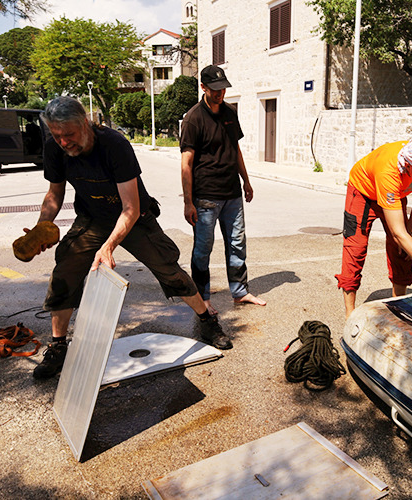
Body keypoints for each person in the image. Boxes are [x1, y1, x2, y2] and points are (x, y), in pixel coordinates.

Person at [31, 97, 231, 380]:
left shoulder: (114, 145)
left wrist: (108, 246)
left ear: (85, 123)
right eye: (57, 135)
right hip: (92, 217)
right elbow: (54, 194)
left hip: (135, 218)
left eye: (69, 135)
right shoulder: (55, 148)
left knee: (168, 269)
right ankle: (58, 346)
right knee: (66, 269)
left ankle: (207, 320)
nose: (63, 142)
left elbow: (131, 208)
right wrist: (42, 227)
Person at [336, 136, 412, 318]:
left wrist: (410, 231)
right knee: (356, 247)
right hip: (363, 190)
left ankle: (399, 306)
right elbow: (398, 233)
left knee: (403, 249)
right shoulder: (388, 172)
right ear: (408, 165)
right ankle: (349, 312)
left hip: (395, 193)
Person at [180, 65, 266, 315]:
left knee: (238, 243)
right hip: (206, 195)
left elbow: (235, 149)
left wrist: (246, 181)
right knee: (203, 248)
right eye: (215, 89)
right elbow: (186, 163)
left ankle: (240, 292)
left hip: (232, 194)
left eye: (223, 88)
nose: (221, 93)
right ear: (203, 87)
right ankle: (202, 297)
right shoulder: (193, 118)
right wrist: (188, 201)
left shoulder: (230, 112)